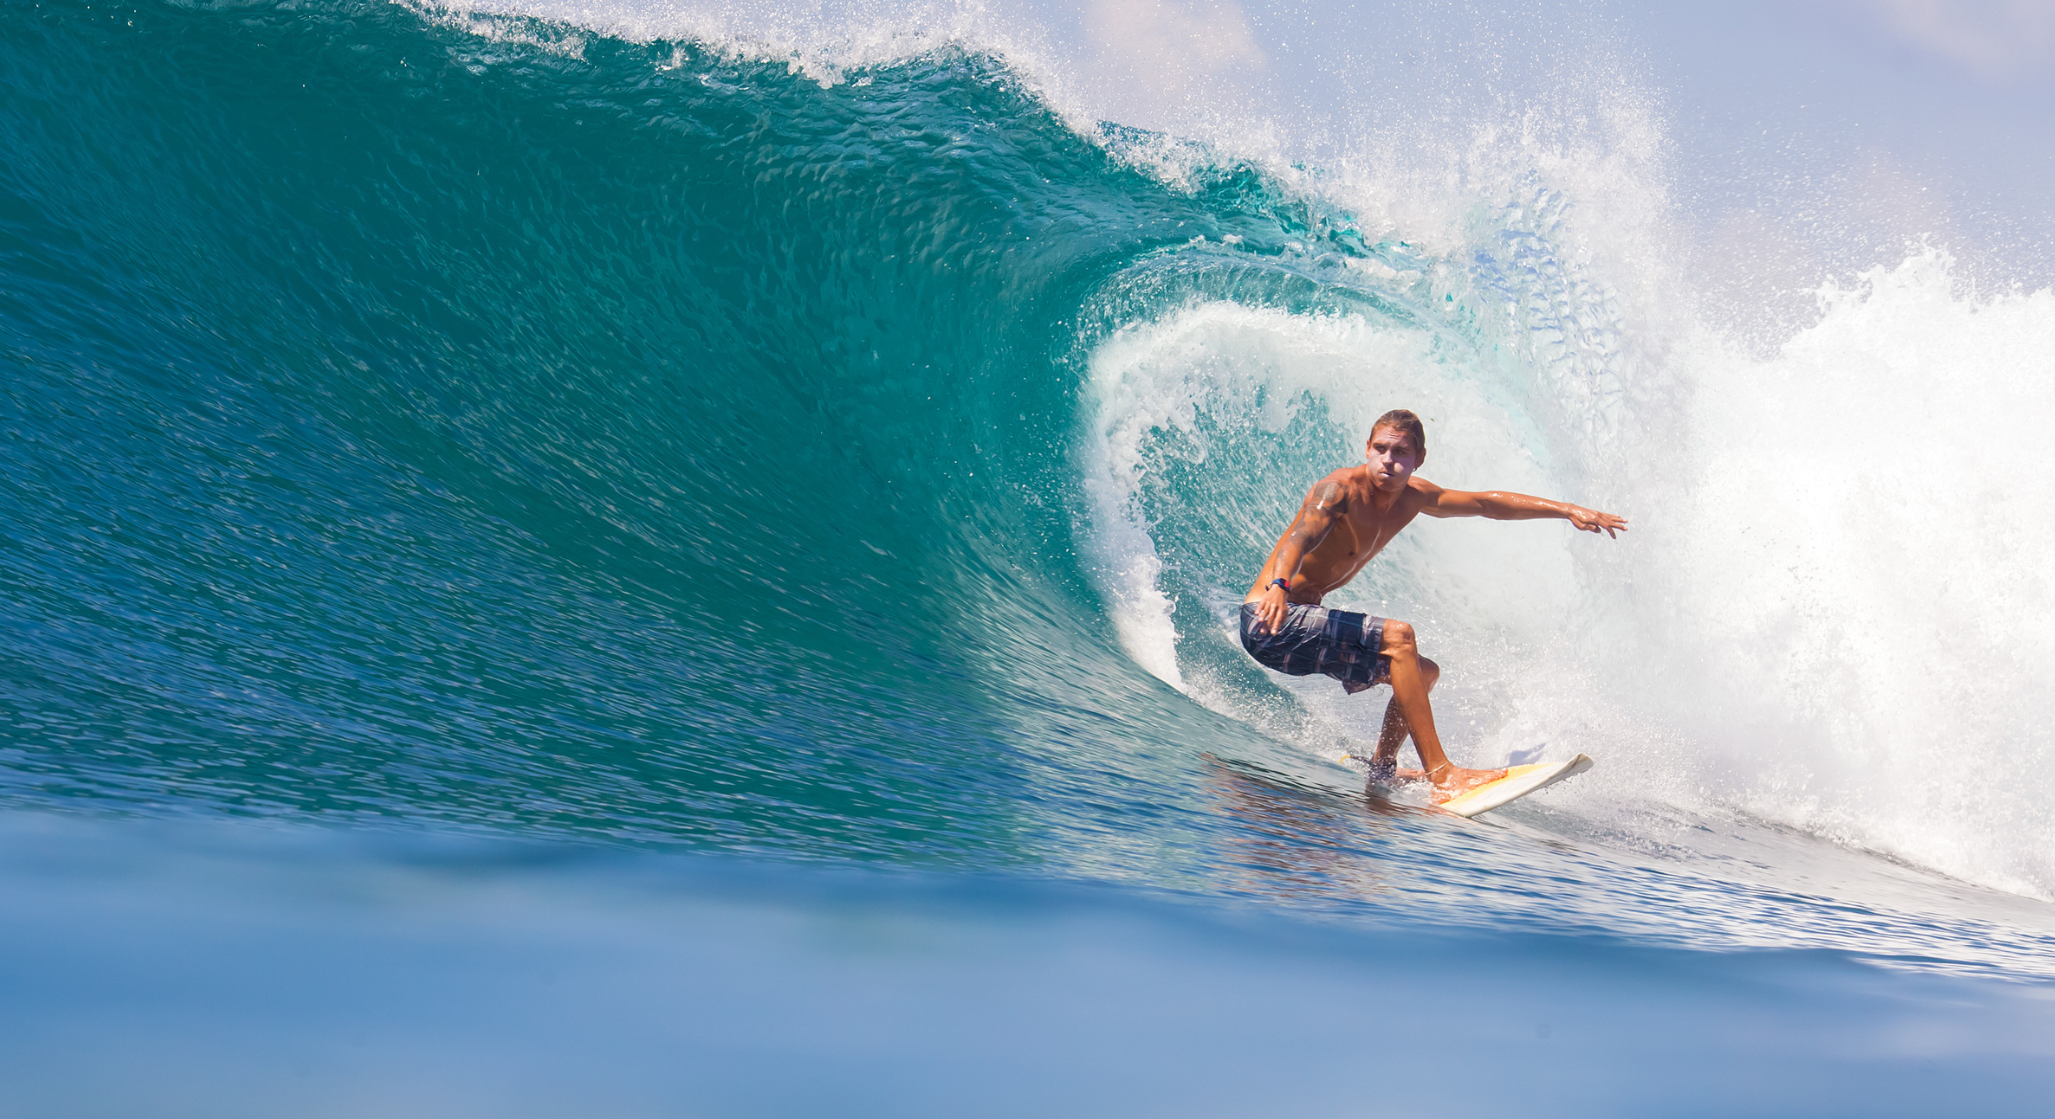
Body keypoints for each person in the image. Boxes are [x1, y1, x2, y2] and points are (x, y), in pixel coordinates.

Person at [1241, 409, 1626, 802]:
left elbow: (1485, 503)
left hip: (1299, 631)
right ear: (1367, 449)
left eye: (1401, 452)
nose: (1389, 460)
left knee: (1421, 673)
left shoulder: (1413, 497)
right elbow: (1300, 537)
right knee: (1399, 637)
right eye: (1381, 449)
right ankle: (1443, 776)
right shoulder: (1338, 490)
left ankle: (1382, 770)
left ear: (1418, 459)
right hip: (1270, 619)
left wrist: (1566, 510)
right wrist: (1278, 586)